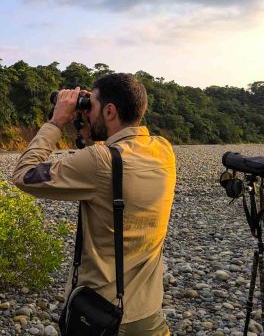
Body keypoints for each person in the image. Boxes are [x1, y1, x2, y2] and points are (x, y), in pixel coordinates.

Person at [12, 73, 176, 336]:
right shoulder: (163, 149)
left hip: (102, 316)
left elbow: (23, 175)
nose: (87, 113)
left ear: (110, 111)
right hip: (148, 314)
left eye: (93, 107)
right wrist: (91, 135)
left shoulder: (99, 161)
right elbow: (113, 170)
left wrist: (56, 121)